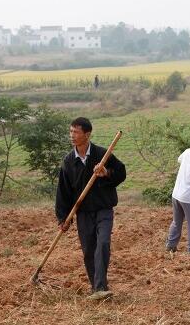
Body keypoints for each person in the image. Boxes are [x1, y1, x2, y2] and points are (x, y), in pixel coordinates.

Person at [55, 117, 126, 301]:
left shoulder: (103, 155)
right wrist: (63, 218)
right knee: (88, 250)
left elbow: (121, 173)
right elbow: (63, 192)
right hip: (83, 212)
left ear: (87, 134)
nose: (72, 135)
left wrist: (106, 173)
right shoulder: (69, 161)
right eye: (71, 131)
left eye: (76, 132)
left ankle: (101, 286)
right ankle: (97, 289)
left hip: (103, 209)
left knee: (102, 244)